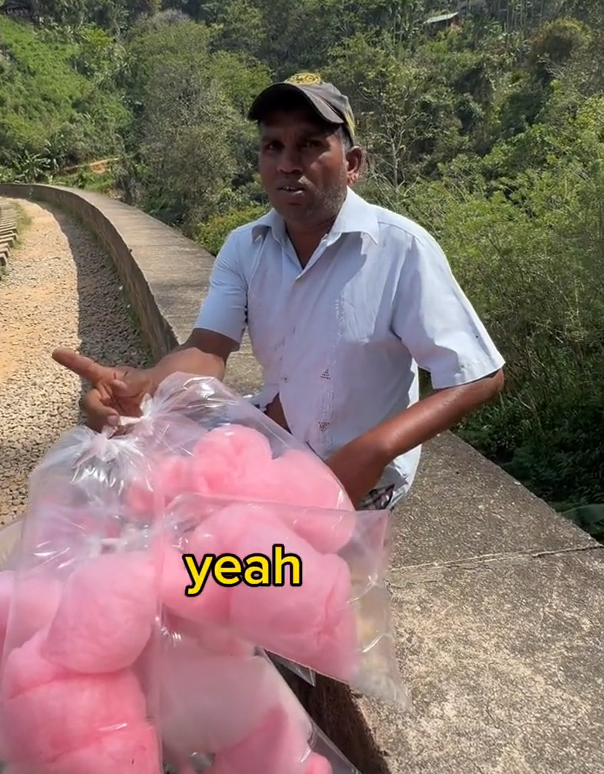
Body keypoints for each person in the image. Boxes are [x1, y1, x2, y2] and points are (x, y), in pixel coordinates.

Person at [53, 72, 505, 510]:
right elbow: (208, 349)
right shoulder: (245, 247)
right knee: (143, 504)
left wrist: (373, 449)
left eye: (310, 144)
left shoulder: (399, 249)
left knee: (261, 567)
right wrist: (149, 384)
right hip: (274, 440)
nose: (288, 162)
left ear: (352, 164)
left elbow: (478, 375)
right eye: (274, 146)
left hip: (360, 472)